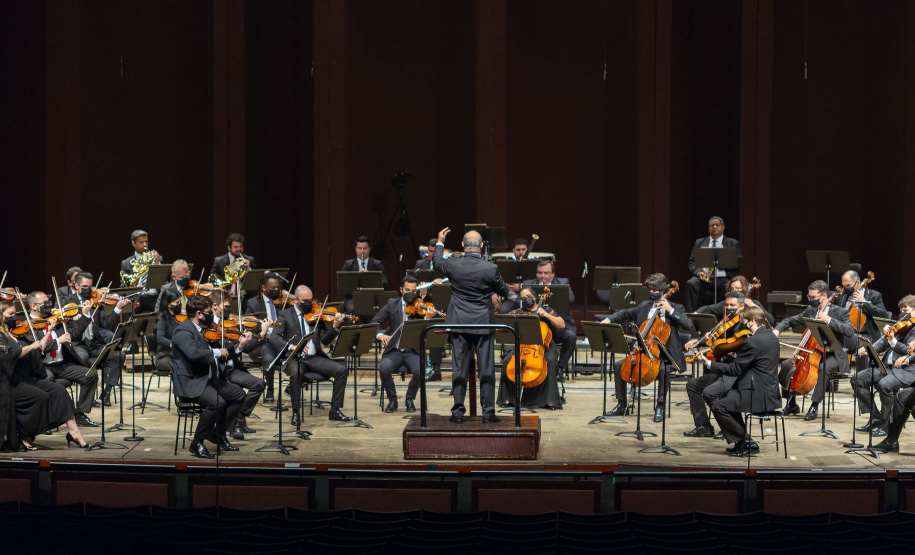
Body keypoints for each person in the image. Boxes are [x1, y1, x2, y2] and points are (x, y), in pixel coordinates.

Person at [432, 227, 509, 424]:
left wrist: (440, 242)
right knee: (486, 369)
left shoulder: (453, 265)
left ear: (463, 245)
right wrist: (491, 291)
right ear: (482, 246)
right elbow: (504, 291)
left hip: (459, 322)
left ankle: (458, 413)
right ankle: (488, 413)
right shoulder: (490, 268)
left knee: (459, 369)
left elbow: (436, 262)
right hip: (483, 322)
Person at [601, 273, 691, 422]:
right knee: (618, 366)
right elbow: (625, 313)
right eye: (650, 289)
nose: (652, 293)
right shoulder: (645, 306)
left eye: (655, 290)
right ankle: (622, 404)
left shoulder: (676, 307)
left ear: (663, 291)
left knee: (663, 370)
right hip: (645, 351)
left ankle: (660, 406)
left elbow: (688, 324)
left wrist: (670, 310)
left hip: (666, 354)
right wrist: (608, 319)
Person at [1, 301, 89, 450]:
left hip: (27, 380)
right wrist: (31, 346)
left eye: (15, 313)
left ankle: (74, 432)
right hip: (11, 384)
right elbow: (10, 355)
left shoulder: (17, 332)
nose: (14, 317)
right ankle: (25, 435)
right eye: (10, 314)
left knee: (59, 390)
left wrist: (49, 330)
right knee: (40, 396)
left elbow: (39, 347)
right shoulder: (1, 337)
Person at [696, 306, 781, 457]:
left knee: (719, 406)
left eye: (744, 322)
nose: (743, 325)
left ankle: (747, 442)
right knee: (728, 402)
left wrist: (709, 364)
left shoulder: (752, 342)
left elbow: (735, 369)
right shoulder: (772, 337)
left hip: (757, 393)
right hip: (770, 391)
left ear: (753, 321)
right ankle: (742, 443)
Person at [171, 295, 247, 459]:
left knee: (239, 395)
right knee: (217, 403)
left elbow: (222, 354)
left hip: (207, 379)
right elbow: (194, 354)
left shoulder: (202, 330)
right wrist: (217, 352)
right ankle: (197, 442)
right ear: (199, 314)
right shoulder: (182, 331)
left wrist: (239, 346)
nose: (212, 316)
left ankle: (217, 434)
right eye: (209, 312)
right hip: (191, 382)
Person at [269, 285, 352, 425]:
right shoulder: (285, 315)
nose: (309, 303)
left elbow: (325, 340)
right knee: (296, 371)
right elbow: (274, 337)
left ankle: (335, 410)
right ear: (296, 300)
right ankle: (296, 412)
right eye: (305, 300)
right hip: (294, 358)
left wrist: (335, 327)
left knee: (341, 370)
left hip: (313, 358)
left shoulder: (316, 314)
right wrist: (293, 346)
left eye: (310, 300)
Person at [774, 280, 855, 420]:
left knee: (823, 368)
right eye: (809, 296)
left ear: (824, 295)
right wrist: (777, 329)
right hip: (813, 352)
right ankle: (791, 403)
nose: (810, 299)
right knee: (788, 365)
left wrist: (829, 320)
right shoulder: (811, 310)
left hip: (834, 354)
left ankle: (814, 405)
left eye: (813, 297)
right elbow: (791, 320)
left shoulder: (840, 312)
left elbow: (849, 331)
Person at [27, 291, 99, 428]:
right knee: (47, 380)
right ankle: (47, 420)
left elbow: (75, 336)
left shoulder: (56, 319)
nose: (49, 305)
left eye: (48, 301)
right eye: (45, 303)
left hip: (62, 364)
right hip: (43, 367)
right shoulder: (27, 326)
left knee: (91, 374)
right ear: (34, 306)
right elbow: (37, 348)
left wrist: (84, 315)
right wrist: (57, 341)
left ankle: (80, 414)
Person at [683, 291, 750, 438]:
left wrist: (721, 348)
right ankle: (703, 426)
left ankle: (728, 428)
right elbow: (715, 338)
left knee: (712, 392)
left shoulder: (744, 325)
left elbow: (735, 349)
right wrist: (698, 341)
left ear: (742, 306)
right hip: (722, 369)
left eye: (733, 305)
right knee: (692, 385)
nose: (729, 307)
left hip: (735, 373)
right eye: (726, 305)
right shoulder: (726, 321)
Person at [207, 290, 269, 439]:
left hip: (232, 369)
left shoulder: (227, 323)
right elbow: (220, 352)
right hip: (220, 371)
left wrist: (256, 337)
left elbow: (243, 348)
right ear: (215, 306)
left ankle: (240, 415)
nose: (229, 309)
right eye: (226, 305)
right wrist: (240, 345)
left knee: (259, 384)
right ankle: (232, 425)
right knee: (237, 391)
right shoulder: (209, 327)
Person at [851, 295, 915, 437]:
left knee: (884, 385)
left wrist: (893, 340)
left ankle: (888, 424)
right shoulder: (902, 324)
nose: (902, 313)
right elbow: (884, 342)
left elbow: (908, 352)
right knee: (857, 380)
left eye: (906, 310)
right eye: (901, 310)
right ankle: (875, 417)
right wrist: (869, 349)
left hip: (906, 370)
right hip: (888, 367)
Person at [63, 271, 130, 407]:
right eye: (85, 286)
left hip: (92, 343)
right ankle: (88, 397)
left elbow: (104, 325)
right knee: (82, 356)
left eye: (91, 286)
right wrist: (84, 315)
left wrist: (117, 308)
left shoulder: (95, 302)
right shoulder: (68, 302)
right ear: (76, 286)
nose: (89, 290)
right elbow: (73, 333)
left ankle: (107, 392)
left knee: (119, 355)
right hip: (77, 344)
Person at [371, 276, 436, 413]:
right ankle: (392, 400)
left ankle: (409, 398)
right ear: (401, 289)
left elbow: (427, 332)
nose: (410, 293)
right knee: (384, 368)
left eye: (413, 290)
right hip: (394, 350)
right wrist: (380, 334)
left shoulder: (421, 305)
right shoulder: (391, 304)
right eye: (407, 289)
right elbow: (374, 322)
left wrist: (427, 319)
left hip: (413, 351)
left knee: (420, 371)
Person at [497, 286, 564, 410]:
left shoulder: (546, 309)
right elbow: (504, 323)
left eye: (528, 296)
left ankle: (549, 400)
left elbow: (562, 324)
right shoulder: (518, 312)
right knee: (507, 361)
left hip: (546, 347)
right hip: (523, 346)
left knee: (549, 361)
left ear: (534, 296)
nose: (526, 299)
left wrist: (546, 315)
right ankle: (508, 398)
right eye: (523, 298)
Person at [522, 259, 577, 375]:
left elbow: (571, 299)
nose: (542, 276)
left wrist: (555, 294)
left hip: (559, 326)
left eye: (546, 273)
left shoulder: (562, 282)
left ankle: (560, 368)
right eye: (539, 273)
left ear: (553, 274)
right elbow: (519, 302)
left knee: (571, 336)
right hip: (538, 327)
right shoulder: (529, 284)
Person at [684, 217, 742, 312]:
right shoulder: (700, 242)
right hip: (705, 278)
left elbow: (739, 261)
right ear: (709, 228)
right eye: (712, 225)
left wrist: (722, 262)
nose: (714, 227)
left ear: (723, 227)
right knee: (691, 283)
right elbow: (691, 262)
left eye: (717, 225)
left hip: (724, 278)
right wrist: (698, 272)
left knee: (730, 286)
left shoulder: (732, 243)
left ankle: (728, 315)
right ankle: (691, 316)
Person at [244, 272, 283, 403]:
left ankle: (292, 387)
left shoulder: (283, 301)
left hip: (281, 339)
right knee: (269, 358)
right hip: (264, 341)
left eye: (277, 287)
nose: (276, 290)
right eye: (273, 288)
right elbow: (248, 325)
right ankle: (270, 388)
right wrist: (263, 328)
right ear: (264, 288)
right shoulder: (253, 303)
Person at [694, 275, 775, 325]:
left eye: (737, 288)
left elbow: (770, 320)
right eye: (732, 289)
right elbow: (709, 308)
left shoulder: (753, 303)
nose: (734, 291)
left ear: (744, 289)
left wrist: (754, 306)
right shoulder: (727, 303)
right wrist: (696, 313)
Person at [341, 236, 388, 314]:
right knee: (352, 309)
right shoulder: (348, 264)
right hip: (352, 297)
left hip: (371, 297)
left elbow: (385, 284)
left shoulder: (377, 264)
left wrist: (370, 276)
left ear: (369, 249)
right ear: (355, 249)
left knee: (374, 311)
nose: (362, 251)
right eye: (360, 248)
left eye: (365, 248)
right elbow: (341, 284)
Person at [120, 229, 162, 313]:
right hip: (137, 297)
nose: (145, 244)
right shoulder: (126, 263)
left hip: (154, 297)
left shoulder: (156, 258)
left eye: (146, 242)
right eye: (141, 242)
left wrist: (157, 264)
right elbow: (123, 286)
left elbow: (163, 281)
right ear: (133, 243)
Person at [210, 233, 255, 300]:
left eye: (241, 247)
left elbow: (253, 282)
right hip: (226, 297)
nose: (239, 249)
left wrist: (248, 269)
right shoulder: (219, 261)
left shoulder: (250, 260)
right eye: (236, 247)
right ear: (229, 247)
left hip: (245, 297)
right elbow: (213, 279)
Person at [497, 237, 531, 314]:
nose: (521, 252)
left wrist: (520, 287)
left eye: (523, 249)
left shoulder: (532, 266)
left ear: (527, 250)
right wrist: (505, 286)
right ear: (513, 251)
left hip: (528, 300)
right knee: (503, 311)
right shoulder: (507, 265)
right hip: (511, 299)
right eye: (518, 250)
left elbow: (535, 283)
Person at [154, 288, 182, 377]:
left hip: (178, 355)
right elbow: (160, 338)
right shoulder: (162, 319)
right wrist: (174, 345)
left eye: (180, 302)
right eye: (177, 303)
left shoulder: (179, 317)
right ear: (169, 304)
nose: (180, 305)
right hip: (164, 357)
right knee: (179, 366)